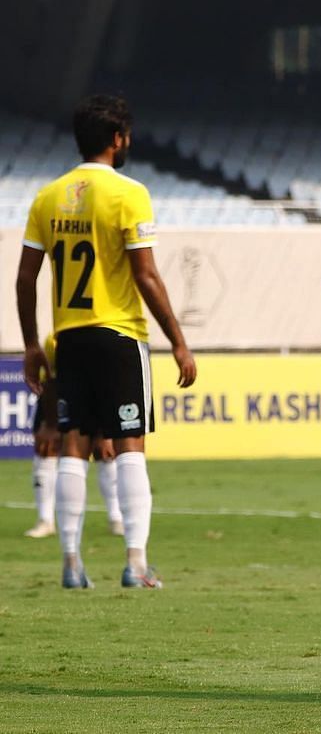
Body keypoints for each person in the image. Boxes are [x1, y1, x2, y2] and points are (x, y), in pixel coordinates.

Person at [15, 93, 197, 589]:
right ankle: (136, 563)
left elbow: (25, 278)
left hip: (68, 338)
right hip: (119, 336)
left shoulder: (47, 196)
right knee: (129, 446)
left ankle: (72, 563)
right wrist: (179, 342)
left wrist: (32, 345)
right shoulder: (129, 193)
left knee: (72, 445)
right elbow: (147, 275)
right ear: (118, 140)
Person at [25, 334, 125, 539]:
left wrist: (102, 431)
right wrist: (51, 424)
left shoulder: (105, 339)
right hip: (59, 395)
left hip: (97, 396)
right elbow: (50, 381)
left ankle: (116, 518)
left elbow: (110, 382)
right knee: (47, 448)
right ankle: (45, 520)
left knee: (104, 450)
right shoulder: (53, 341)